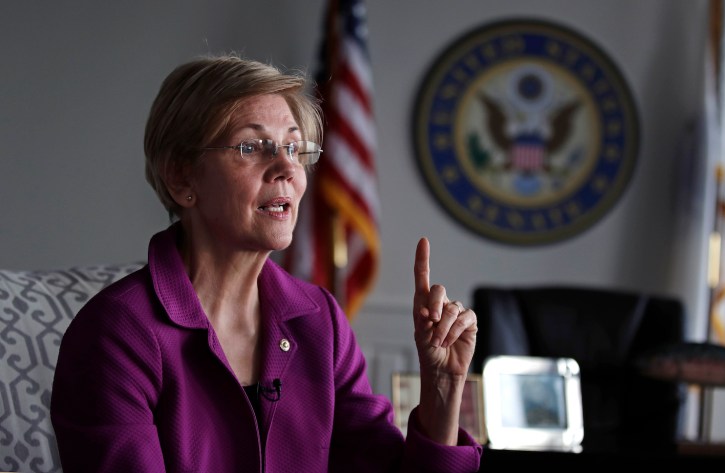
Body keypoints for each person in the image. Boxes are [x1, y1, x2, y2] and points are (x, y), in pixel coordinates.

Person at [50, 54, 482, 473]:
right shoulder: (116, 333)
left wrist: (442, 389)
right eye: (251, 147)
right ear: (181, 177)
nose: (286, 168)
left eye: (295, 147)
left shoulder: (320, 320)